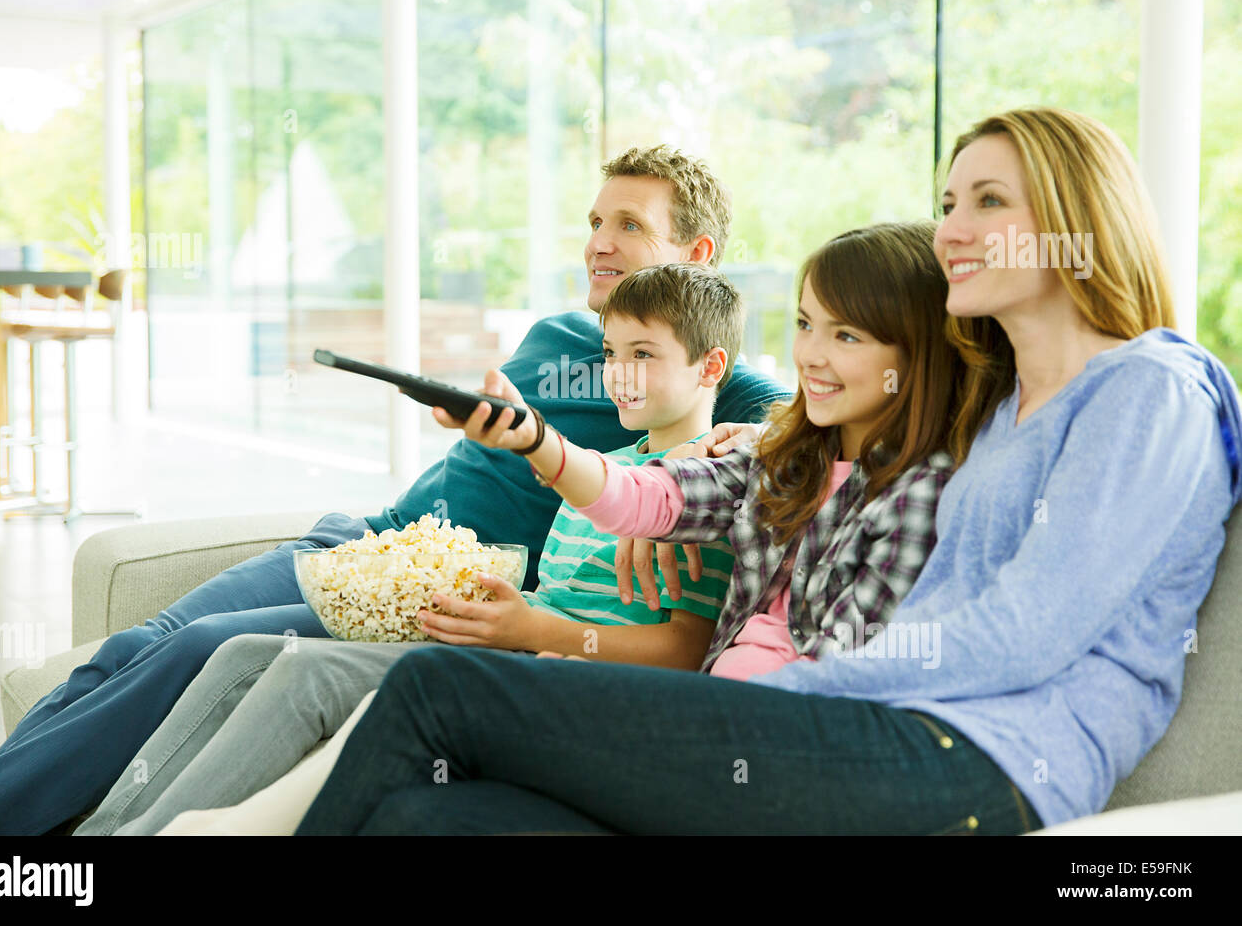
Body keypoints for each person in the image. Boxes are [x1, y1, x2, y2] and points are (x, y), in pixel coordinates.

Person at [294, 107, 1242, 835]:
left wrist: (764, 698)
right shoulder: (994, 410)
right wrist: (738, 442)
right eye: (950, 202)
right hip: (869, 732)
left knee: (436, 689)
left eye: (990, 200)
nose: (953, 226)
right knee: (433, 818)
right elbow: (849, 434)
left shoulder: (1149, 388)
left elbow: (1026, 633)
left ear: (1077, 218)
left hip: (976, 759)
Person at [0, 147, 791, 836]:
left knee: (205, 644)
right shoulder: (568, 335)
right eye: (595, 220)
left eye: (630, 225)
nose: (599, 242)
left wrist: (731, 447)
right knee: (144, 642)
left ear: (697, 258)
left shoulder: (708, 379)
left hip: (428, 590)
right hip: (365, 538)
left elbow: (812, 433)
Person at [99, 218, 965, 836]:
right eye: (807, 326)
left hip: (740, 740)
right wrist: (538, 442)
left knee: (426, 690)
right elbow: (645, 500)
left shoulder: (919, 492)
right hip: (667, 705)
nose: (814, 353)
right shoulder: (778, 457)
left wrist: (545, 639)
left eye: (846, 334)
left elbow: (832, 675)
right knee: (413, 808)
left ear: (913, 354)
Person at [76, 262, 745, 835]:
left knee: (313, 674)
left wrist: (534, 626)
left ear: (710, 365)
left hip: (562, 682)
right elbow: (560, 558)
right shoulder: (602, 474)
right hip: (503, 648)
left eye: (643, 354)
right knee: (248, 651)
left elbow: (684, 649)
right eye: (610, 353)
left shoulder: (707, 494)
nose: (619, 375)